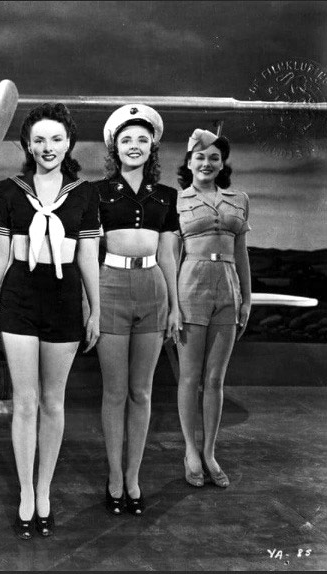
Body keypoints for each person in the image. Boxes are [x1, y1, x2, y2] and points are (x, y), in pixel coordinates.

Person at [0, 103, 100, 539]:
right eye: (38, 139)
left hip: (64, 298)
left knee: (53, 402)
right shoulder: (8, 190)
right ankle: (24, 492)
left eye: (56, 138)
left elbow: (89, 256)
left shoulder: (85, 194)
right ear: (27, 145)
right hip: (19, 297)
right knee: (24, 401)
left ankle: (44, 491)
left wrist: (95, 309)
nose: (47, 147)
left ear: (69, 142)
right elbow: (0, 254)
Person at [96, 104, 181, 515]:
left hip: (153, 290)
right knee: (114, 391)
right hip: (110, 287)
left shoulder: (166, 196)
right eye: (126, 139)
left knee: (141, 391)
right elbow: (88, 252)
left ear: (152, 147)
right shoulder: (96, 192)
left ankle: (133, 478)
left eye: (142, 140)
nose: (134, 145)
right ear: (115, 147)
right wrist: (89, 304)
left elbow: (168, 255)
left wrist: (175, 306)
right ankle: (114, 478)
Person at [174, 129, 251, 489]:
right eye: (200, 157)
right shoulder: (177, 201)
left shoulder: (239, 199)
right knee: (190, 377)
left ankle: (209, 452)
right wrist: (173, 306)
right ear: (189, 163)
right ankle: (190, 451)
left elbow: (242, 253)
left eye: (214, 158)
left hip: (228, 287)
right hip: (191, 287)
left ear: (222, 164)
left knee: (216, 379)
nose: (206, 163)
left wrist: (246, 298)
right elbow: (171, 255)